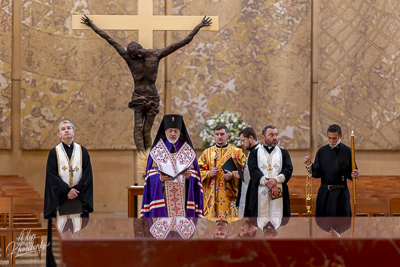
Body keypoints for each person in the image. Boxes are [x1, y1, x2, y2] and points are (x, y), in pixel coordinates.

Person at [81, 15, 212, 152]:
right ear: (131, 55)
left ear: (141, 48)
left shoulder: (155, 54)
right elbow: (109, 39)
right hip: (138, 96)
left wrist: (199, 26)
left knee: (146, 131)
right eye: (135, 55)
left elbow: (183, 42)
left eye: (139, 52)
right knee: (138, 128)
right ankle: (142, 159)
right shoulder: (128, 57)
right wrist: (91, 25)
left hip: (152, 97)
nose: (139, 56)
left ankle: (149, 160)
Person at [44, 120, 94, 266]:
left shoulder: (82, 151)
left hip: (78, 197)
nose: (66, 130)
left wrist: (76, 191)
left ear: (73, 132)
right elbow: (51, 176)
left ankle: (76, 261)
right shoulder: (54, 153)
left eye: (69, 128)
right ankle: (64, 261)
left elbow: (88, 174)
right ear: (59, 134)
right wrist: (67, 191)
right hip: (60, 199)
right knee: (63, 231)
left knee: (78, 231)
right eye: (63, 129)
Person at [140, 114, 203, 218]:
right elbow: (149, 175)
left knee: (181, 231)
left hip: (183, 198)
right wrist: (160, 177)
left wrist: (189, 177)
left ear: (180, 132)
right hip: (163, 196)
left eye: (176, 131)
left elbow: (196, 176)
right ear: (165, 132)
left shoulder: (188, 150)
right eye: (170, 131)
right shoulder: (157, 150)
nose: (173, 133)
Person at [303, 124, 359, 217]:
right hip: (325, 194)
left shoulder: (348, 151)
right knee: (324, 223)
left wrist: (354, 174)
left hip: (341, 194)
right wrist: (309, 164)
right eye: (329, 138)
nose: (331, 141)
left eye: (334, 138)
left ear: (341, 136)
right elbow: (316, 173)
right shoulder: (321, 151)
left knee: (342, 223)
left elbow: (352, 173)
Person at [244, 125, 293, 220]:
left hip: (279, 193)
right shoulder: (254, 153)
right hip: (259, 194)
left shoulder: (284, 153)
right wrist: (269, 183)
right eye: (271, 135)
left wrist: (276, 180)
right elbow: (253, 171)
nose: (275, 138)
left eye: (276, 135)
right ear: (263, 137)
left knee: (279, 223)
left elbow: (288, 169)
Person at [198, 124, 246, 219]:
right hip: (211, 198)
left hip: (230, 196)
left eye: (222, 134)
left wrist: (232, 175)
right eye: (217, 134)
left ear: (227, 135)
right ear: (214, 136)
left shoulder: (237, 152)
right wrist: (208, 173)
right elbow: (197, 172)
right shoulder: (206, 153)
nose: (219, 136)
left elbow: (246, 172)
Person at [237, 127, 261, 217]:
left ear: (251, 138)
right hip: (247, 191)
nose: (242, 144)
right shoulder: (252, 152)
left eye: (243, 140)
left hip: (255, 195)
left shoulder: (260, 152)